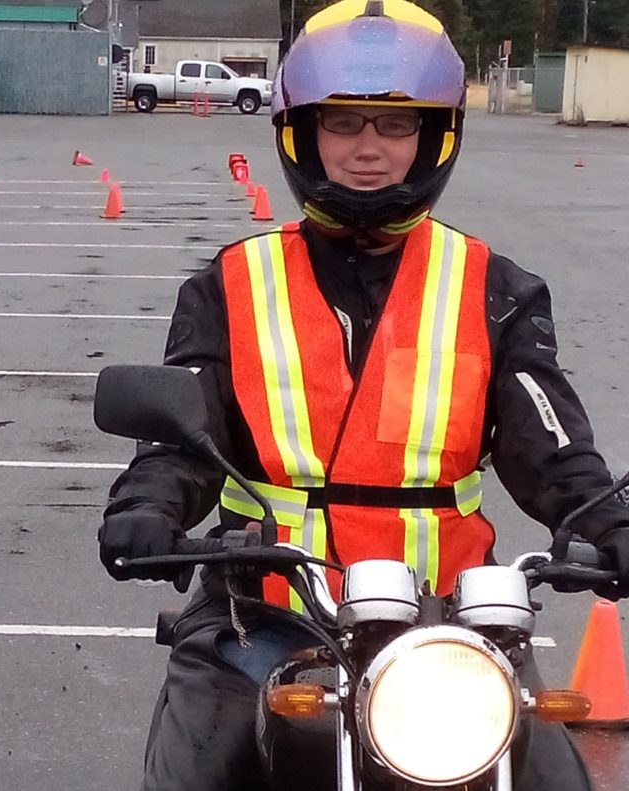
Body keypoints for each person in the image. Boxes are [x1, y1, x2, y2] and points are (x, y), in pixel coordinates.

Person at [97, 1, 629, 789]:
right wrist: (147, 507)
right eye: (343, 123)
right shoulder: (231, 285)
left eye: (396, 126)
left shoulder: (496, 290)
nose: (369, 150)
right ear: (300, 132)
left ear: (435, 136)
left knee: (555, 776)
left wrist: (606, 520)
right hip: (266, 618)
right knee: (193, 773)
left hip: (446, 626)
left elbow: (549, 440)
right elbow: (183, 435)